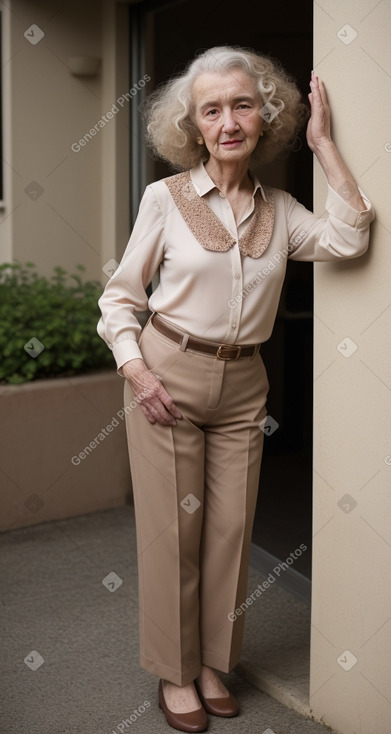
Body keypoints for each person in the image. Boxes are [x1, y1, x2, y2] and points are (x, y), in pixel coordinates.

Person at [97, 46, 374, 733]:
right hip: (166, 373)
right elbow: (118, 300)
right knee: (173, 534)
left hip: (245, 384)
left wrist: (325, 147)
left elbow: (349, 236)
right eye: (211, 109)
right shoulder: (164, 199)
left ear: (265, 115)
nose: (228, 121)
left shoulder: (281, 209)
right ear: (191, 125)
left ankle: (214, 662)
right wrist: (136, 371)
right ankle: (173, 671)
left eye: (242, 104)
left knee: (228, 532)